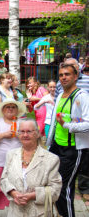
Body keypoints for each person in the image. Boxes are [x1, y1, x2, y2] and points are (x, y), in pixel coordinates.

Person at [46, 63, 89, 217]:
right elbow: (54, 122)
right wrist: (48, 142)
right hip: (56, 147)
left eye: (67, 74)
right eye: (61, 75)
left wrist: (69, 125)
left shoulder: (81, 96)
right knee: (53, 185)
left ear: (75, 76)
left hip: (73, 150)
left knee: (64, 188)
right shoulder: (60, 96)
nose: (63, 77)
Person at [0, 119, 62, 217]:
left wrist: (33, 195)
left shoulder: (51, 159)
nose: (25, 135)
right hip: (15, 212)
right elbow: (4, 179)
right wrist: (13, 193)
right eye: (22, 131)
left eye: (29, 131)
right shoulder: (11, 155)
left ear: (37, 134)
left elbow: (55, 190)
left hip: (39, 213)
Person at [0, 99, 26, 217]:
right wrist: (3, 135)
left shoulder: (22, 123)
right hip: (0, 161)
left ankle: (18, 210)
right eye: (8, 107)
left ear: (17, 110)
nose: (10, 109)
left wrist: (21, 136)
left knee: (18, 186)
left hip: (18, 161)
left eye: (13, 107)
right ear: (3, 110)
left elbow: (33, 140)